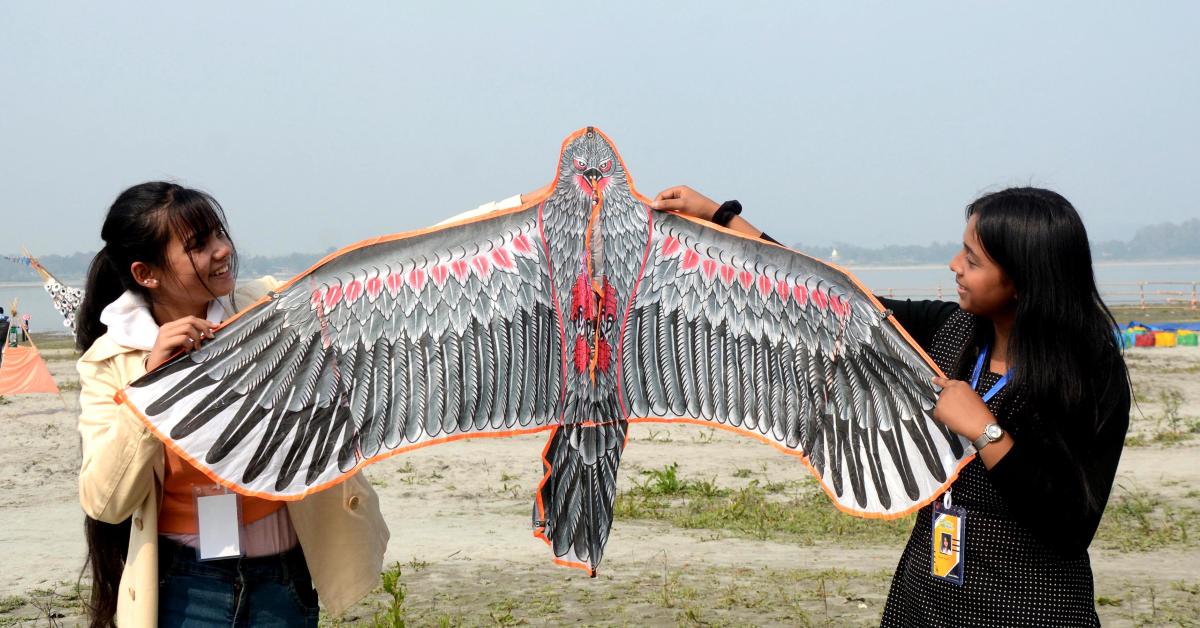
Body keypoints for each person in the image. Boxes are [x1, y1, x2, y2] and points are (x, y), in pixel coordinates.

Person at [651, 185, 1130, 626]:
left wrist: (986, 432)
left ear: (1024, 279)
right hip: (926, 598)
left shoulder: (1089, 374)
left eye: (973, 259)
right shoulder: (952, 331)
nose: (954, 265)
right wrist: (720, 217)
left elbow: (1072, 526)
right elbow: (831, 299)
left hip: (1029, 609)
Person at [76, 182, 389, 627]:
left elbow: (375, 280)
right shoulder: (111, 361)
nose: (222, 250)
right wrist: (151, 384)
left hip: (282, 578)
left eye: (219, 234)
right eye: (198, 245)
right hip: (184, 588)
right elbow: (104, 502)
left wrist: (498, 219)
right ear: (147, 274)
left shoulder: (270, 307)